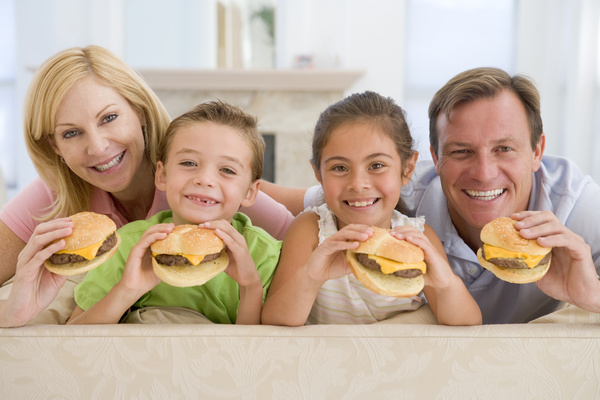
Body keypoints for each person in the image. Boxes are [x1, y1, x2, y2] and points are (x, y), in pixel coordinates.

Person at [266, 68, 600, 324]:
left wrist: (592, 294)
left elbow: (464, 320)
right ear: (434, 159)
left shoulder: (579, 207)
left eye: (504, 148)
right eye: (461, 151)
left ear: (537, 150)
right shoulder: (385, 193)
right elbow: (269, 201)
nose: (484, 173)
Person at [0, 45, 292, 328]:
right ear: (55, 146)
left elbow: (301, 222)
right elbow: (78, 335)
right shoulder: (56, 194)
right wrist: (11, 313)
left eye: (109, 118)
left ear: (139, 110)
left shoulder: (219, 201)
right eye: (72, 133)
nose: (98, 147)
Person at [261, 91, 481, 326]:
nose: (357, 184)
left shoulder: (418, 238)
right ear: (318, 174)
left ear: (407, 169)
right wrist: (312, 276)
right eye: (339, 168)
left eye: (376, 165)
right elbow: (275, 322)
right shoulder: (311, 231)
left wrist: (445, 282)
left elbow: (467, 324)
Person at [67, 100, 281, 325]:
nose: (204, 179)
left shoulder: (264, 255)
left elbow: (256, 354)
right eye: (189, 163)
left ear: (250, 192)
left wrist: (250, 288)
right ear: (162, 176)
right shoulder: (130, 245)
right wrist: (127, 290)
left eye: (227, 170)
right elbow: (71, 339)